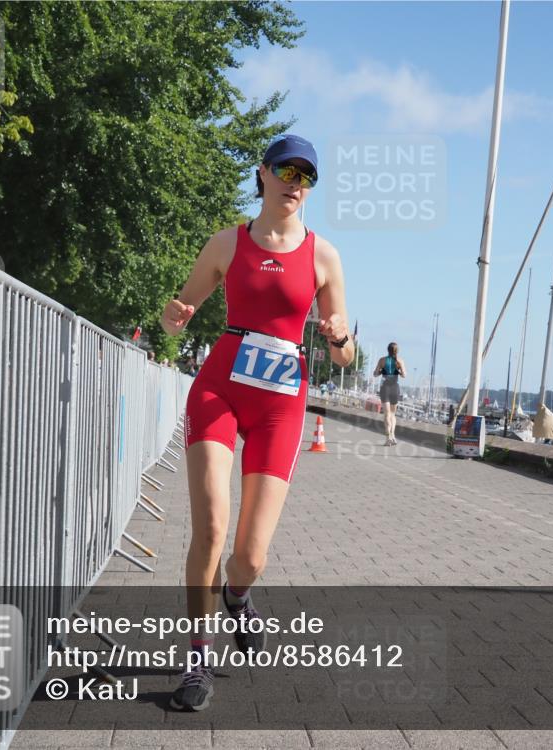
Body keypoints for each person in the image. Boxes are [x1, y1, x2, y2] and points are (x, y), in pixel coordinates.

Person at [160, 134, 354, 711]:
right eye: (287, 171)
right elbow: (179, 316)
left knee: (250, 556)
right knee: (212, 531)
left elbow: (344, 356)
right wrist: (173, 317)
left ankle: (238, 597)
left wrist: (341, 336)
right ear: (263, 174)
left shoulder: (324, 256)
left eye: (307, 176)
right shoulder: (226, 242)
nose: (296, 183)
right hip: (219, 390)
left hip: (280, 404)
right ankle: (198, 655)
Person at [373, 342, 405, 446]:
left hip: (385, 388)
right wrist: (399, 372)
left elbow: (375, 374)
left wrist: (382, 370)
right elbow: (404, 375)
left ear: (388, 350)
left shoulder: (382, 360)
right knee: (392, 414)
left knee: (387, 414)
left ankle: (388, 439)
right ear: (397, 351)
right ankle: (393, 435)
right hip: (395, 388)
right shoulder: (400, 361)